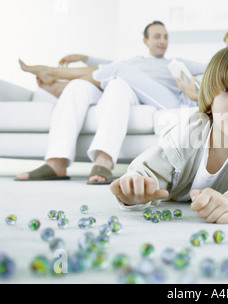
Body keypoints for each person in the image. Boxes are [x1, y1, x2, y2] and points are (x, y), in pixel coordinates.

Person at [110, 43, 228, 224]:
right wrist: (135, 190)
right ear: (210, 101)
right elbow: (148, 168)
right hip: (176, 193)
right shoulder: (191, 131)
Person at [16, 21, 207, 184]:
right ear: (145, 41)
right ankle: (56, 162)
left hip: (166, 99)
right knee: (81, 86)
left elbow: (213, 67)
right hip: (124, 88)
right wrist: (84, 58)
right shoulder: (134, 62)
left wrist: (196, 90)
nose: (163, 41)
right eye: (157, 36)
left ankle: (54, 75)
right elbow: (110, 65)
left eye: (165, 37)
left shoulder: (174, 61)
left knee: (118, 72)